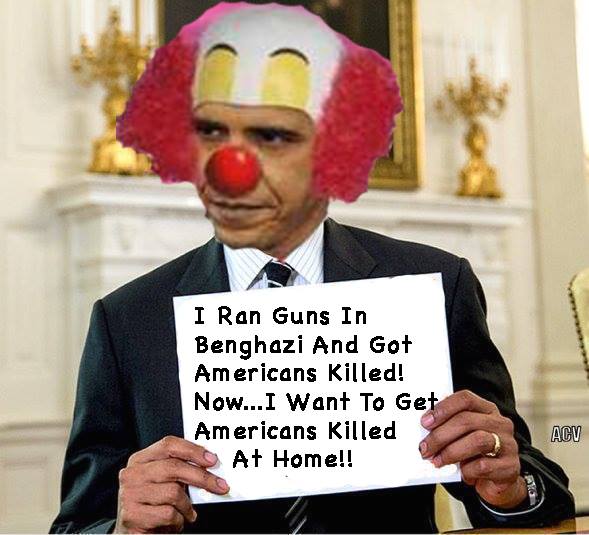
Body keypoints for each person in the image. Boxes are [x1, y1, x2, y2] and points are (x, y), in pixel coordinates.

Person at [51, 3, 574, 533]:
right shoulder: (128, 320)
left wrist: (509, 486)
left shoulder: (438, 286)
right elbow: (76, 524)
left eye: (273, 136)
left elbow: (539, 491)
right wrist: (121, 527)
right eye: (213, 133)